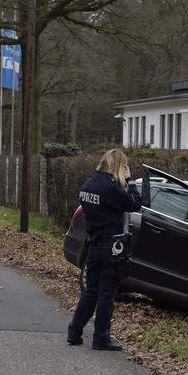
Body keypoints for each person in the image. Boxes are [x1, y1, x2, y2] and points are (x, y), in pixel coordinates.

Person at [67, 149, 142, 351]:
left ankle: (74, 332)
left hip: (93, 244)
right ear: (119, 166)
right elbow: (135, 204)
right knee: (106, 294)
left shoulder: (89, 184)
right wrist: (130, 180)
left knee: (91, 291)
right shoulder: (111, 189)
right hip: (111, 247)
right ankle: (101, 338)